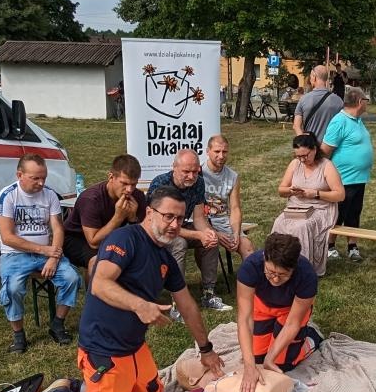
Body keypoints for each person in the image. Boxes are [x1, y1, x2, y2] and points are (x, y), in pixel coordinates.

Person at [48, 188, 224, 392]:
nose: (174, 225)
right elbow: (100, 284)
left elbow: (187, 306)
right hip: (103, 348)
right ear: (150, 213)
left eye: (180, 218)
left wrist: (206, 349)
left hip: (134, 347)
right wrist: (140, 306)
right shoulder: (124, 239)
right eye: (168, 216)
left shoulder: (165, 258)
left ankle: (86, 388)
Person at [0, 153, 81, 351]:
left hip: (46, 253)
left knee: (72, 278)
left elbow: (58, 229)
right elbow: (8, 237)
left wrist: (53, 256)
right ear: (20, 175)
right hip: (14, 254)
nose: (41, 183)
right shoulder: (7, 196)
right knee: (12, 289)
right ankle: (19, 335)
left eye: (44, 177)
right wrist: (44, 249)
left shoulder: (50, 194)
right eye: (35, 178)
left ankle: (57, 324)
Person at [235, 232, 321, 392]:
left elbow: (292, 323)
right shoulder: (250, 267)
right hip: (261, 306)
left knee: (283, 364)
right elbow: (245, 319)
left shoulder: (307, 275)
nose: (274, 279)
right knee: (255, 360)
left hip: (290, 311)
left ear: (293, 268)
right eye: (270, 272)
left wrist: (271, 358)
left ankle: (311, 337)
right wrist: (249, 365)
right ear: (264, 259)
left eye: (282, 275)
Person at [271, 133, 344, 278]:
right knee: (279, 222)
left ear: (314, 150)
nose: (302, 159)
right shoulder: (294, 164)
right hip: (296, 206)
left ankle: (301, 270)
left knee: (301, 226)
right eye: (299, 156)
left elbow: (340, 195)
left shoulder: (326, 166)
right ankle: (276, 265)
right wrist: (290, 191)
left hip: (321, 209)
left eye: (305, 155)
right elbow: (281, 190)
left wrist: (316, 194)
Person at [195, 134, 253, 312]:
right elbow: (195, 212)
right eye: (217, 152)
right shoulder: (197, 173)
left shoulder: (233, 176)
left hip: (223, 219)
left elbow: (235, 208)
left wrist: (235, 233)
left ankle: (251, 288)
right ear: (207, 152)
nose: (221, 156)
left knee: (247, 246)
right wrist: (216, 233)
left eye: (225, 152)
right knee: (208, 242)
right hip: (202, 219)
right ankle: (208, 290)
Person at [63, 155, 147, 272]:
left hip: (111, 238)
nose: (129, 189)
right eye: (124, 183)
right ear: (111, 177)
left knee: (141, 254)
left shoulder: (137, 196)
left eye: (133, 184)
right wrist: (118, 217)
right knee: (99, 260)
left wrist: (133, 219)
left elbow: (144, 237)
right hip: (76, 239)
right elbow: (94, 243)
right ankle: (94, 290)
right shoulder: (91, 198)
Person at [321, 86, 374, 262]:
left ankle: (352, 246)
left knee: (354, 213)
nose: (367, 102)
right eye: (365, 99)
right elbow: (325, 151)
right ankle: (329, 246)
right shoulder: (339, 121)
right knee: (339, 214)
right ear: (360, 101)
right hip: (343, 179)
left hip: (358, 179)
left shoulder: (357, 120)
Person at [149, 148, 209, 288]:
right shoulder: (160, 184)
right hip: (159, 231)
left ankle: (209, 291)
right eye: (186, 172)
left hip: (180, 226)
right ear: (174, 168)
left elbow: (199, 217)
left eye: (195, 172)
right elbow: (160, 225)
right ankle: (177, 295)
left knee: (209, 241)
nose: (191, 176)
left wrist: (207, 233)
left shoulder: (199, 183)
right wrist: (198, 234)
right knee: (179, 243)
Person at [291, 63, 343, 141]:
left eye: (311, 77)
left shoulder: (304, 99)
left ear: (314, 77)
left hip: (310, 148)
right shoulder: (338, 101)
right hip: (331, 148)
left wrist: (305, 142)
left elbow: (296, 126)